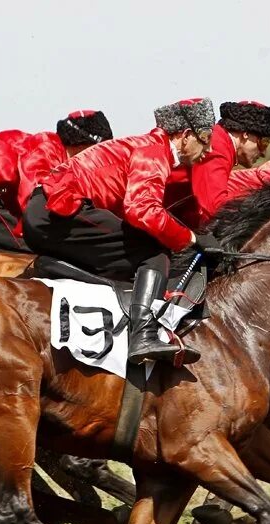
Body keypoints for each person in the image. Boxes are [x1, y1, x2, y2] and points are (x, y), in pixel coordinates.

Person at [23, 98, 224, 365]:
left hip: (49, 211)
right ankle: (143, 335)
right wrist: (190, 238)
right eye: (205, 138)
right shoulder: (154, 151)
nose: (209, 148)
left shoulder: (147, 146)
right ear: (186, 135)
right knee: (153, 252)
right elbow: (142, 210)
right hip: (59, 212)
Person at [0, 110, 113, 254]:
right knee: (39, 255)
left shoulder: (60, 155)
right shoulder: (49, 147)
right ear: (84, 144)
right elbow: (32, 196)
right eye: (98, 152)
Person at [165, 100, 270, 228]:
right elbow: (215, 207)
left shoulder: (221, 141)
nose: (264, 153)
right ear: (246, 133)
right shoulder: (217, 147)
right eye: (264, 142)